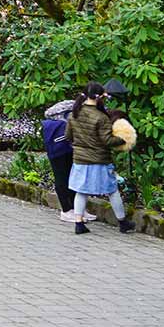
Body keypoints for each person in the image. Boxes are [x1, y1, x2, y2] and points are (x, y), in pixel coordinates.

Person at [67, 81, 134, 235]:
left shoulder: (74, 114)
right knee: (112, 190)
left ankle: (79, 224)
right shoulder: (101, 117)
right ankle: (123, 222)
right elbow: (107, 140)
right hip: (100, 160)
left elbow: (68, 136)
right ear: (99, 97)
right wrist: (124, 139)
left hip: (80, 160)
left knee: (81, 191)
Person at [41, 98, 77, 220]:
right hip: (60, 147)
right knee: (62, 177)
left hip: (61, 147)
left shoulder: (74, 108)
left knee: (69, 176)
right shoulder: (76, 110)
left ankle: (74, 208)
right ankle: (66, 210)